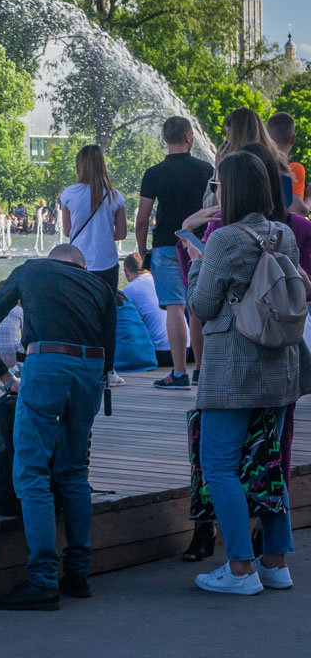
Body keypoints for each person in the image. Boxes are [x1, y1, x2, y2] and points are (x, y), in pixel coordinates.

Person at [183, 150, 310, 594]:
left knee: (219, 464)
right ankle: (275, 562)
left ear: (230, 190)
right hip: (280, 367)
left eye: (218, 186)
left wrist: (196, 259)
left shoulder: (224, 240)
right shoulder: (283, 234)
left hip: (233, 372)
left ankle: (240, 569)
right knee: (268, 461)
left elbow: (200, 306)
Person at [0, 244, 116, 610]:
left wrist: (4, 376)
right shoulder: (99, 286)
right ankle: (78, 573)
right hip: (90, 372)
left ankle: (42, 580)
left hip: (47, 365)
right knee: (74, 470)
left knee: (32, 471)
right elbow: (109, 350)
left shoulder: (30, 270)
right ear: (80, 265)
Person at [136, 116, 214, 389]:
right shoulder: (207, 170)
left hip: (166, 245)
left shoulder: (153, 173)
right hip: (199, 245)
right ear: (189, 138)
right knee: (197, 308)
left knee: (174, 307)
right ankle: (201, 371)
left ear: (165, 140)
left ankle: (179, 372)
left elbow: (143, 218)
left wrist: (141, 248)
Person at [60, 145, 127, 290]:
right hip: (107, 261)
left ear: (80, 166)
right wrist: (102, 235)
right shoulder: (115, 195)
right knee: (107, 307)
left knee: (82, 308)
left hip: (78, 261)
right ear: (102, 165)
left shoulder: (69, 194)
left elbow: (67, 231)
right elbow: (121, 234)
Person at [121, 253, 172, 367]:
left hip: (158, 353)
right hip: (184, 350)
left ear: (126, 272)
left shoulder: (129, 290)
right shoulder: (162, 282)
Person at [267, 111, 308, 215]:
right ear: (293, 139)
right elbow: (297, 210)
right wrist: (309, 198)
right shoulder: (294, 168)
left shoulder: (257, 163)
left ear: (267, 137)